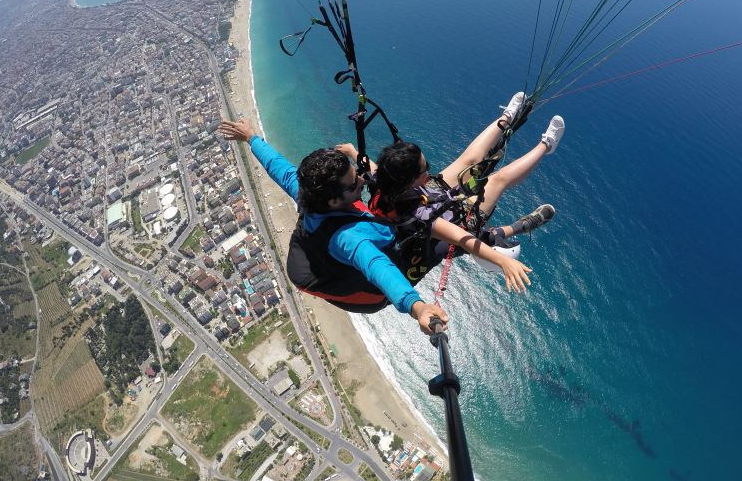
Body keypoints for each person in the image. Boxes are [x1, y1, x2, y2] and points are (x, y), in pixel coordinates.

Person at [216, 117, 447, 334]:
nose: (362, 181)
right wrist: (416, 307)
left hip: (332, 266)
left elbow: (278, 167)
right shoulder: (347, 238)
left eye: (356, 175)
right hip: (372, 295)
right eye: (353, 183)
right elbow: (377, 266)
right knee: (436, 247)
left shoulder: (311, 197)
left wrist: (251, 137)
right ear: (334, 201)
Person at [337, 92, 563, 284]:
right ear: (410, 180)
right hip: (457, 218)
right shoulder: (420, 217)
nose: (429, 171)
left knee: (469, 159)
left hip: (431, 195)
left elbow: (375, 169)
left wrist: (351, 151)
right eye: (425, 169)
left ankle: (506, 117)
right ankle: (546, 146)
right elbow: (462, 238)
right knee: (498, 180)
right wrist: (502, 262)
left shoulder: (385, 183)